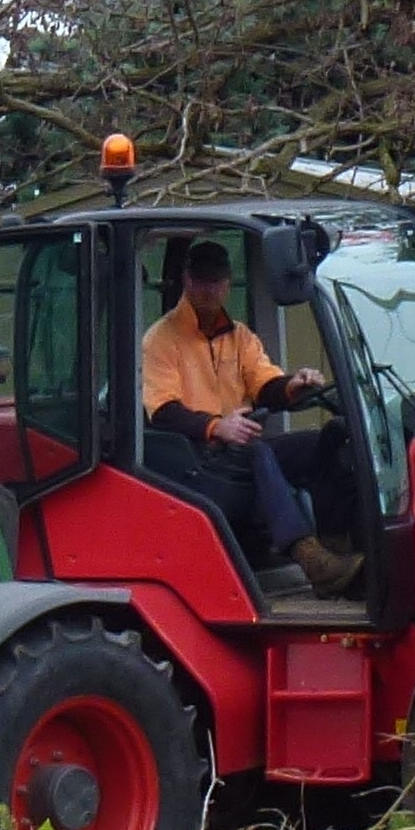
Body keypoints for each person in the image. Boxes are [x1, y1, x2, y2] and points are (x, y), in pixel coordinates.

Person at [142, 241, 363, 599]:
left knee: (330, 437)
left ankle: (337, 542)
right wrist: (217, 426)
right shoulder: (161, 339)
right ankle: (311, 561)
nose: (209, 290)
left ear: (228, 283)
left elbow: (264, 385)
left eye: (216, 282)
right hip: (197, 457)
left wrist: (293, 385)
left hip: (240, 446)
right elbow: (162, 410)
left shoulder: (239, 336)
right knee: (259, 451)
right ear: (186, 280)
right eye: (201, 282)